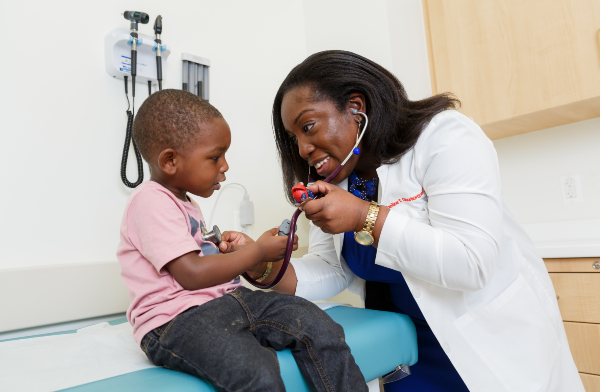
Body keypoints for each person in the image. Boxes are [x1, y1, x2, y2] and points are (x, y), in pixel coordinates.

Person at [250, 50, 584, 391]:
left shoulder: (445, 137)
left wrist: (365, 217)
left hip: (492, 342)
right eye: (294, 138)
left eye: (308, 127)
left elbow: (471, 262)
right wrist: (265, 268)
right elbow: (333, 270)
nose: (303, 148)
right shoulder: (338, 184)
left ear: (355, 107)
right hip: (411, 354)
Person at [116, 89, 368, 392]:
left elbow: (197, 261)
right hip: (176, 321)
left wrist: (222, 249)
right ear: (170, 161)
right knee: (256, 372)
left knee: (318, 326)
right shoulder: (149, 200)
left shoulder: (185, 202)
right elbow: (191, 274)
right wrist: (258, 251)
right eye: (215, 156)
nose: (225, 166)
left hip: (229, 301)